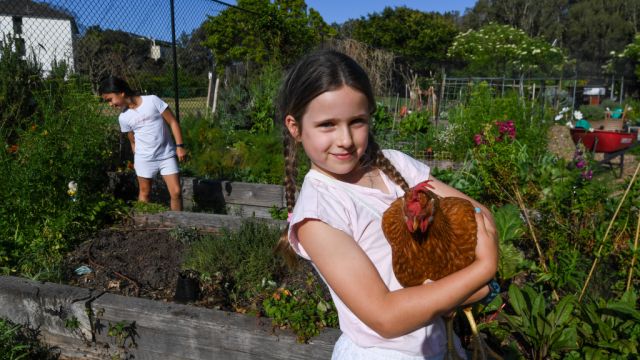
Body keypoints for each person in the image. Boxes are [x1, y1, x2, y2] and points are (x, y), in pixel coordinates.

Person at [276, 49, 499, 359]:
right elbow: (386, 316)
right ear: (295, 127)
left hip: (441, 342)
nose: (345, 139)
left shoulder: (395, 166)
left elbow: (478, 216)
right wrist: (481, 271)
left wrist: (455, 287)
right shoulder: (319, 213)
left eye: (357, 121)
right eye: (327, 124)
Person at [99, 76, 186, 211]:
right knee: (144, 193)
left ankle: (178, 228)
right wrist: (137, 156)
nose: (110, 104)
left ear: (121, 92)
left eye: (110, 99)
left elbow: (173, 122)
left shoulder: (152, 100)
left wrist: (179, 146)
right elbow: (131, 138)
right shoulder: (123, 117)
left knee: (176, 192)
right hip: (144, 159)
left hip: (166, 156)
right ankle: (142, 224)